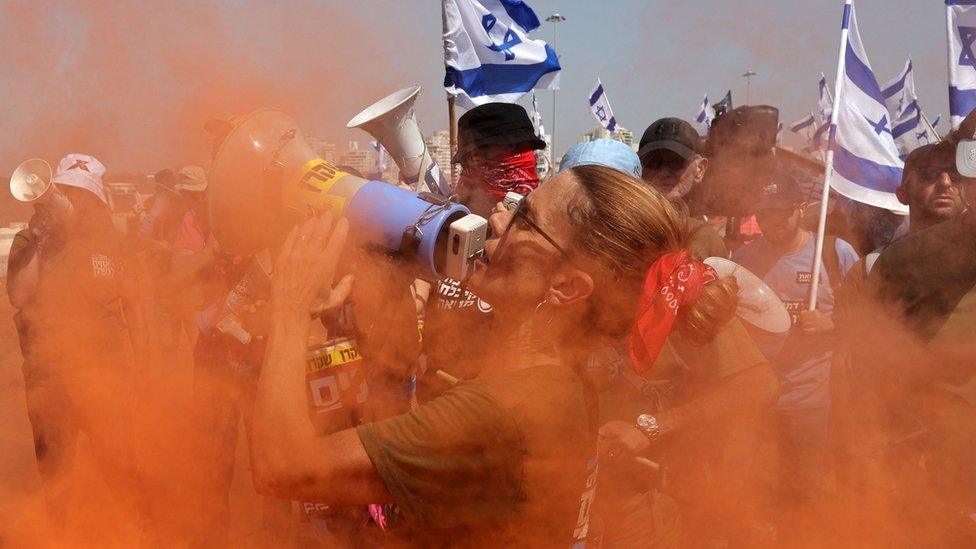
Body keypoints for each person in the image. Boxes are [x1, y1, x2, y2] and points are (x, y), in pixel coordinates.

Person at [249, 165, 743, 546]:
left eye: (525, 219)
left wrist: (289, 310)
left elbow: (284, 465)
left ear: (567, 287)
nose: (497, 219)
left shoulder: (505, 409)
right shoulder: (559, 382)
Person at [562, 141, 779, 546]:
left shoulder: (677, 284)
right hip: (566, 497)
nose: (588, 219)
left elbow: (758, 384)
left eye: (602, 203)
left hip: (644, 503)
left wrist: (653, 427)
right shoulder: (559, 279)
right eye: (575, 204)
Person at [839, 116, 976, 545]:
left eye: (952, 173)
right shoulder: (884, 264)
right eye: (929, 175)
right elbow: (854, 369)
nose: (944, 183)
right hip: (917, 457)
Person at [6, 154, 148, 526]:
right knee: (56, 472)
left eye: (82, 195)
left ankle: (134, 531)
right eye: (66, 192)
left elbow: (134, 305)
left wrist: (146, 367)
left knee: (119, 464)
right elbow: (19, 297)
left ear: (96, 203)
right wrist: (38, 242)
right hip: (48, 378)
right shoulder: (30, 238)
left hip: (106, 374)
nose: (73, 202)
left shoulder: (111, 243)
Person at [731, 171, 858, 539]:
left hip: (812, 403)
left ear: (801, 209)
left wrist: (832, 325)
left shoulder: (835, 254)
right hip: (756, 403)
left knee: (806, 498)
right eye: (766, 213)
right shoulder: (742, 259)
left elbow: (870, 318)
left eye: (783, 212)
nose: (774, 221)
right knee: (755, 498)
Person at [416, 102, 545, 400]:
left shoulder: (542, 234)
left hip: (506, 403)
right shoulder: (440, 226)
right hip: (438, 401)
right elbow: (415, 299)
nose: (523, 160)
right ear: (474, 163)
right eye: (510, 150)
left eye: (526, 150)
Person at [637, 117, 728, 260]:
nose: (664, 172)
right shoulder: (624, 230)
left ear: (700, 169)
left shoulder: (706, 239)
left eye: (676, 162)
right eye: (653, 162)